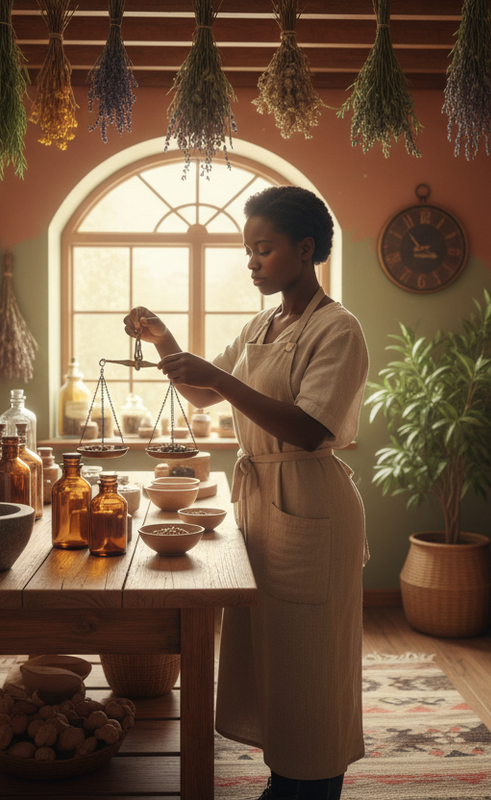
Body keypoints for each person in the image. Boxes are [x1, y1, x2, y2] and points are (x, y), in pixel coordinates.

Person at [123, 186, 368, 800]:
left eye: (264, 249)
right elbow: (206, 392)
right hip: (262, 500)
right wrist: (163, 341)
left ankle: (311, 785)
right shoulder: (265, 323)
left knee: (313, 661)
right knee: (273, 657)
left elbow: (312, 428)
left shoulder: (338, 329)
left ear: (305, 248)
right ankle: (288, 777)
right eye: (247, 251)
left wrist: (220, 380)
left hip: (310, 502)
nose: (252, 262)